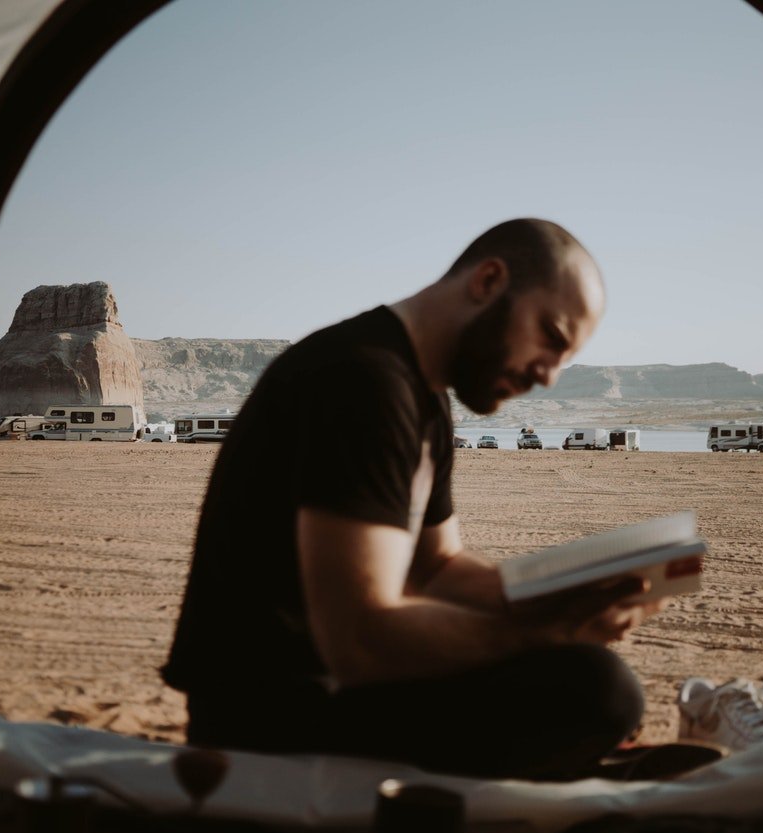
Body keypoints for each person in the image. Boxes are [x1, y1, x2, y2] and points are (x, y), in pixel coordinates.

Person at [163, 219, 684, 779]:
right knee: (598, 690)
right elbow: (358, 642)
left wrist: (563, 595)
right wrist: (543, 633)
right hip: (267, 713)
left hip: (327, 688)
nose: (550, 376)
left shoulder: (424, 399)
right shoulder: (361, 380)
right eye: (551, 338)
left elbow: (436, 567)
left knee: (583, 679)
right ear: (487, 280)